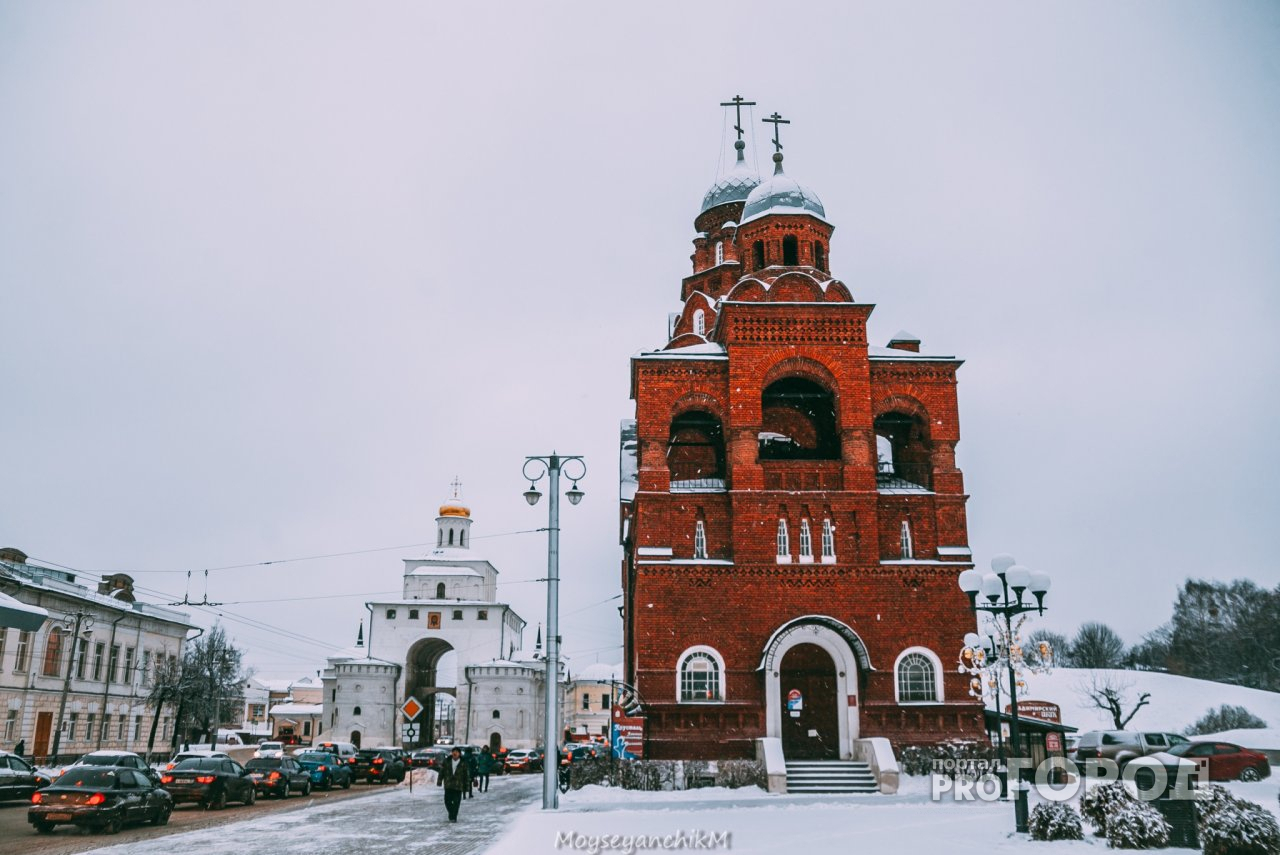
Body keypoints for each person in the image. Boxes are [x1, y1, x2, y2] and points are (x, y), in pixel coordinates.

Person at [437, 747, 470, 822]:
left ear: (459, 754)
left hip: (458, 786)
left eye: (456, 752)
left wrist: (467, 787)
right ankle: (451, 813)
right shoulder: (447, 761)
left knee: (456, 802)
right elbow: (441, 771)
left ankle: (454, 817)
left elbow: (466, 775)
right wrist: (439, 781)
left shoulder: (463, 763)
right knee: (447, 801)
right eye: (453, 752)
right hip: (448, 785)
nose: (455, 753)